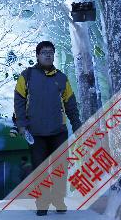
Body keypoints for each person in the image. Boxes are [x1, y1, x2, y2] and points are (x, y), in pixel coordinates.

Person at [14, 41, 81, 216]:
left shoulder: (62, 78)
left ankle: (59, 200)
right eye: (44, 52)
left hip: (58, 132)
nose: (48, 55)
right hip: (35, 133)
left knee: (60, 169)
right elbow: (19, 101)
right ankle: (42, 203)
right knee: (40, 169)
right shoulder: (26, 76)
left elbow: (70, 104)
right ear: (37, 55)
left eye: (51, 52)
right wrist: (21, 124)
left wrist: (77, 124)